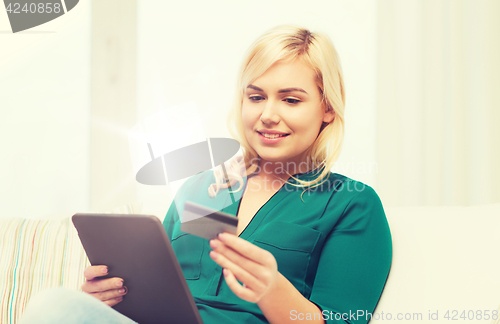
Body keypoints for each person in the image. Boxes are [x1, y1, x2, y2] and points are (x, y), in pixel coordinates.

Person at [20, 25, 392, 324]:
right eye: (256, 96)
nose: (268, 114)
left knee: (51, 306)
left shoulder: (351, 204)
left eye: (291, 99)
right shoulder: (201, 188)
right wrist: (105, 300)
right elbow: (155, 292)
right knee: (59, 306)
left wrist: (271, 288)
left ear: (327, 107)